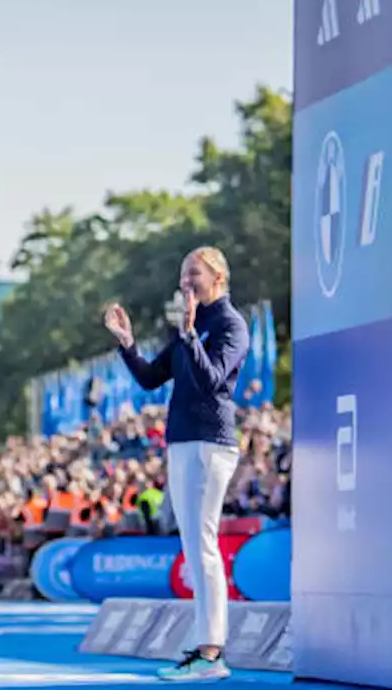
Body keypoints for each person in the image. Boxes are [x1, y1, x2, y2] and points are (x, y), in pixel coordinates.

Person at [104, 246, 249, 682]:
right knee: (193, 546)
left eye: (194, 275)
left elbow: (212, 382)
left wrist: (188, 335)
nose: (185, 282)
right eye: (183, 275)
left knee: (203, 546)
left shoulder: (230, 325)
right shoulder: (194, 324)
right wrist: (128, 344)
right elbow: (151, 377)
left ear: (217, 277)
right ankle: (206, 647)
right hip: (182, 441)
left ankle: (211, 652)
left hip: (211, 442)